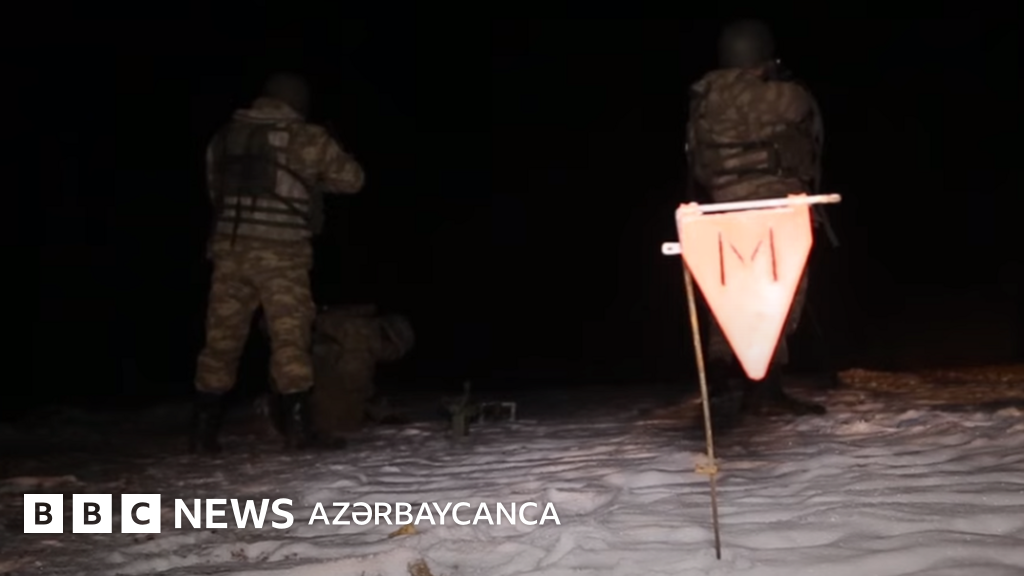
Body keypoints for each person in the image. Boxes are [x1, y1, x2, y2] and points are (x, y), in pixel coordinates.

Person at [189, 72, 366, 454]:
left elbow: (215, 190)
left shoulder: (225, 137)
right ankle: (299, 430)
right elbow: (353, 179)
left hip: (230, 251)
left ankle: (203, 433)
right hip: (282, 255)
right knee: (290, 340)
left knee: (220, 341)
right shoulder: (307, 137)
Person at [685, 20, 826, 416]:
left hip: (723, 204)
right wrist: (775, 75)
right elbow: (800, 105)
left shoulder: (705, 97)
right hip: (772, 204)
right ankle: (766, 388)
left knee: (729, 289)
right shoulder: (773, 95)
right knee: (779, 290)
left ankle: (721, 370)